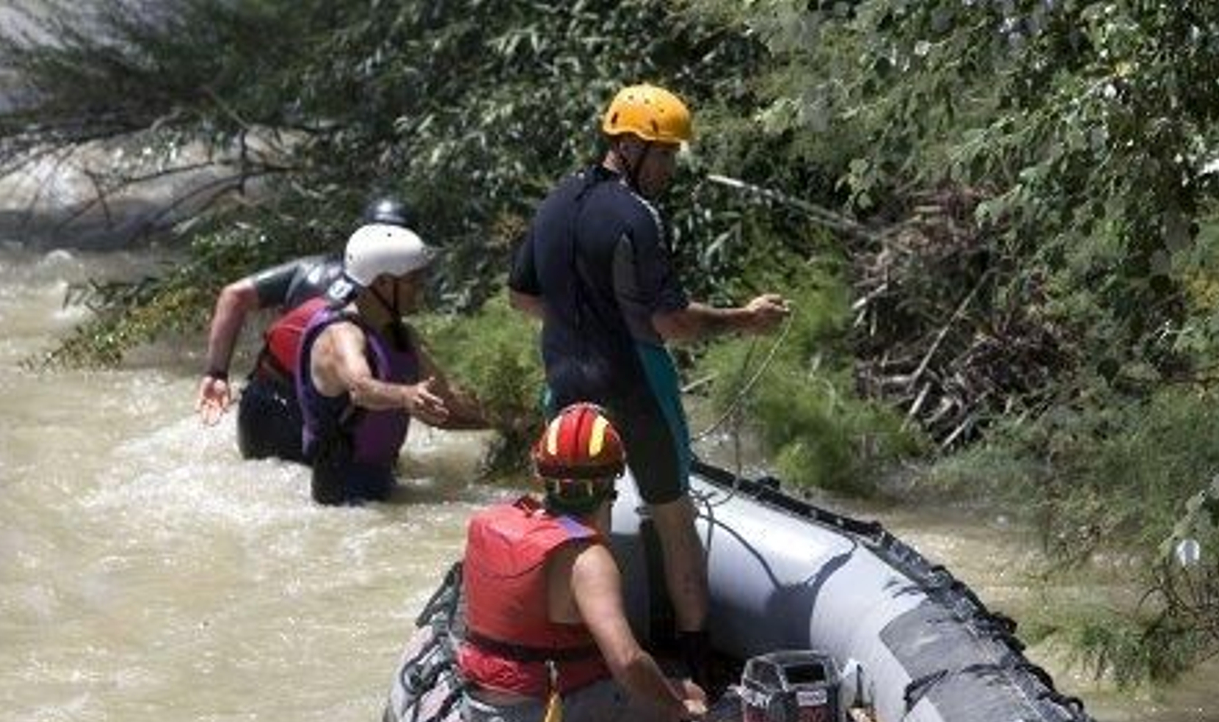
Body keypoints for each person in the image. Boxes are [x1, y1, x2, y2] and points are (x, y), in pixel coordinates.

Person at [507, 83, 789, 687]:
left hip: (565, 383)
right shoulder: (638, 215)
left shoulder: (553, 203)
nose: (668, 167)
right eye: (662, 154)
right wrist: (747, 319)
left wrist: (578, 322)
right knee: (674, 517)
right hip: (635, 383)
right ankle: (696, 661)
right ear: (628, 145)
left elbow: (521, 296)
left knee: (576, 524)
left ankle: (572, 658)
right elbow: (672, 324)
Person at [457, 403, 705, 722]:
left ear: (542, 473)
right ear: (614, 479)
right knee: (687, 704)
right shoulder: (588, 558)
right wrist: (676, 706)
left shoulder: (493, 524)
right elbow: (627, 662)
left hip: (480, 709)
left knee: (643, 690)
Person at [196, 195, 416, 462]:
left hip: (263, 404)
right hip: (305, 412)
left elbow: (235, 295)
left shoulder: (310, 268)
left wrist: (216, 374)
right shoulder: (390, 292)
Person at [295, 223, 485, 505]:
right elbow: (361, 389)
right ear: (382, 282)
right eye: (413, 279)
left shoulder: (403, 335)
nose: (421, 287)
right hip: (341, 493)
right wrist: (407, 395)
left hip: (382, 479)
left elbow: (448, 403)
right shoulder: (341, 335)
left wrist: (508, 420)